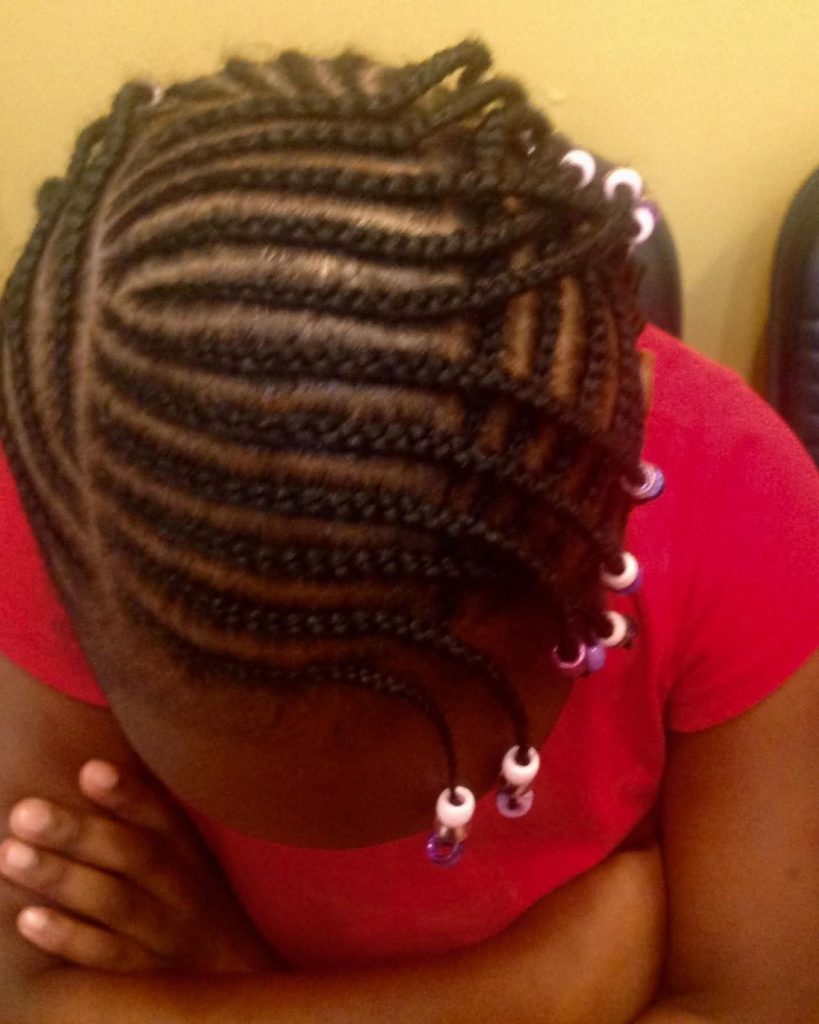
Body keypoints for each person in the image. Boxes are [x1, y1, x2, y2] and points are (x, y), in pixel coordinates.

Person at [0, 39, 817, 1024]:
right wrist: (537, 990)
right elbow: (33, 997)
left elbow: (754, 1001)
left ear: (586, 592)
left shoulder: (745, 511)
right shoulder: (93, 499)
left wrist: (205, 994)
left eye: (455, 805)